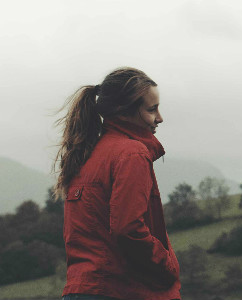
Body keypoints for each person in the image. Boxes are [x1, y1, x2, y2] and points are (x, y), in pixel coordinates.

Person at [54, 67, 181, 300]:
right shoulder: (132, 153)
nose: (160, 117)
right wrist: (168, 265)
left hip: (80, 291)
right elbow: (128, 229)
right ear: (124, 112)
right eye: (152, 109)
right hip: (122, 290)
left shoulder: (86, 153)